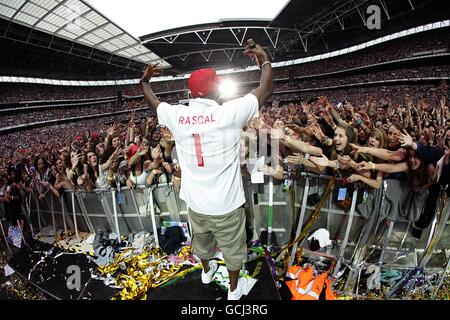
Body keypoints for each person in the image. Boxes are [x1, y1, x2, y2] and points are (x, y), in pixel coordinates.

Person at [140, 39, 273, 300]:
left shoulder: (177, 115)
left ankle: (206, 271)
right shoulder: (231, 112)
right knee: (234, 249)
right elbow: (265, 88)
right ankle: (234, 290)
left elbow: (153, 103)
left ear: (191, 93)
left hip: (196, 202)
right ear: (217, 92)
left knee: (201, 243)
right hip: (226, 203)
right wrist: (263, 58)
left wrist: (144, 81)